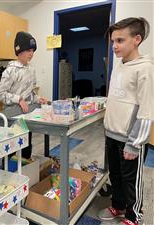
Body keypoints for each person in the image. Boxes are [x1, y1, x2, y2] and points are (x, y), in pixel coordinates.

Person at [99, 17, 154, 225]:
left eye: (120, 40)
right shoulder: (119, 65)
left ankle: (133, 217)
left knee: (131, 181)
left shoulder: (145, 69)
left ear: (136, 39)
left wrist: (134, 143)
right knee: (116, 176)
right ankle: (119, 205)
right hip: (111, 134)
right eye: (113, 41)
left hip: (130, 139)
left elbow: (147, 111)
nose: (114, 46)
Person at [0, 31, 47, 159]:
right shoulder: (10, 70)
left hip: (26, 116)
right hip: (12, 116)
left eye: (33, 50)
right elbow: (0, 94)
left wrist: (37, 98)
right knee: (10, 150)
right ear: (19, 51)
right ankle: (9, 176)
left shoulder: (31, 70)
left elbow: (29, 93)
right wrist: (18, 99)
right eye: (28, 50)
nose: (31, 54)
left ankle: (25, 175)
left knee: (26, 148)